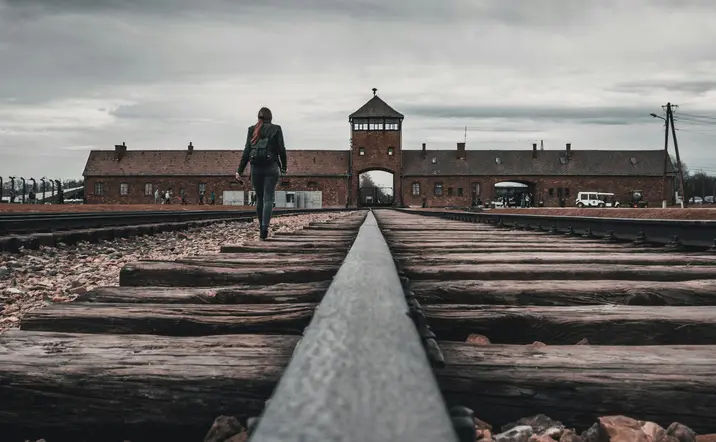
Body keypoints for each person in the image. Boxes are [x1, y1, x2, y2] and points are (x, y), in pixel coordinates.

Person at [236, 107, 287, 240]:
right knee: (268, 198)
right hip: (271, 167)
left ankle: (260, 228)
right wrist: (284, 167)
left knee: (259, 198)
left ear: (258, 117)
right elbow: (282, 149)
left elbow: (247, 150)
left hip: (256, 168)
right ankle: (264, 227)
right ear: (271, 117)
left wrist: (239, 170)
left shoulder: (252, 129)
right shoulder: (276, 129)